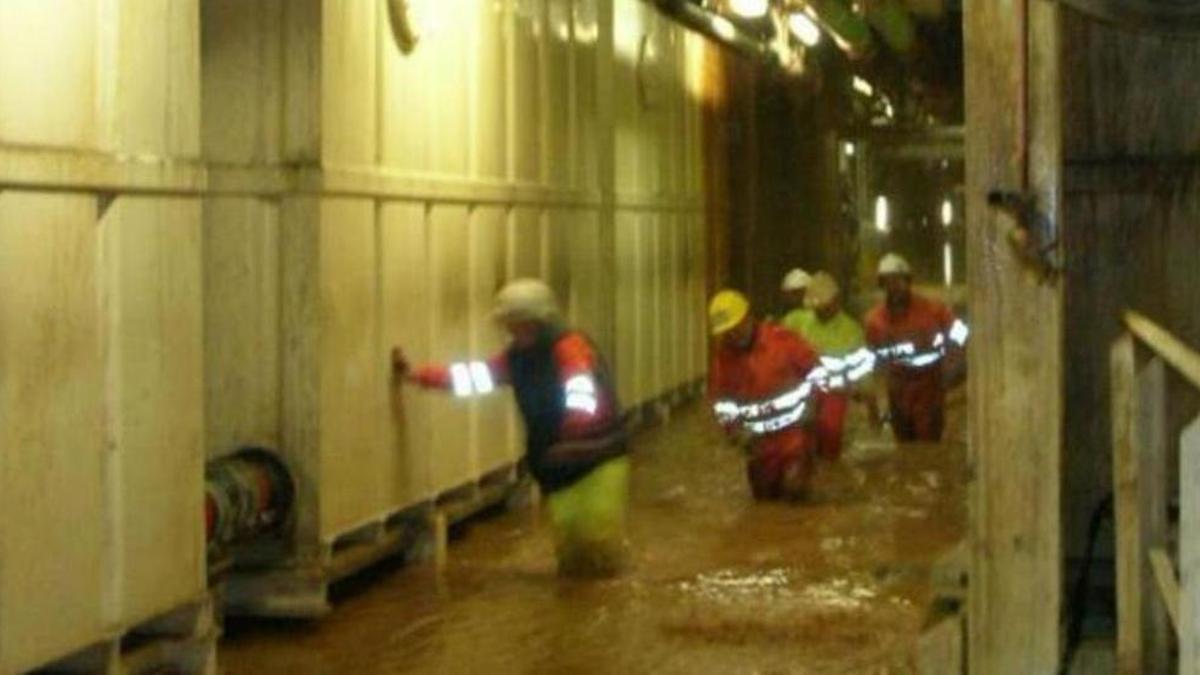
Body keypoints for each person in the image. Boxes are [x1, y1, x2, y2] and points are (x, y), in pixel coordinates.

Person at [392, 279, 629, 577]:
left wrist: (573, 429)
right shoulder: (518, 358)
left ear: (534, 320)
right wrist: (419, 376)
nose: (510, 330)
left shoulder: (568, 347)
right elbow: (476, 377)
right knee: (571, 546)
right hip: (558, 465)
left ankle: (595, 601)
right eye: (508, 324)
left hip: (598, 460)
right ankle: (582, 602)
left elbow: (580, 384)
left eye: (513, 323)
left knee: (597, 539)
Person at [707, 289, 821, 501]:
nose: (733, 334)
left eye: (736, 327)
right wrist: (735, 432)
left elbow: (816, 371)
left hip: (794, 435)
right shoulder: (723, 361)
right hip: (758, 444)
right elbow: (723, 405)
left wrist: (813, 410)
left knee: (795, 492)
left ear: (748, 317)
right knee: (764, 499)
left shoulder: (783, 341)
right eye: (727, 331)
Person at [863, 253, 963, 442]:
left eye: (898, 281)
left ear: (908, 281)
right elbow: (870, 363)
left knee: (928, 443)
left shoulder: (934, 310)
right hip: (897, 389)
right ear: (882, 286)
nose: (894, 288)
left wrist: (956, 367)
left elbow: (959, 334)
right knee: (904, 445)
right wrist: (872, 405)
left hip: (930, 386)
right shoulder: (874, 321)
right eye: (888, 282)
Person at [784, 271, 875, 460]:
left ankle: (830, 475)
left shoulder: (851, 331)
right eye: (816, 308)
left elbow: (863, 370)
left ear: (835, 301)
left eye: (823, 307)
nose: (820, 311)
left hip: (835, 394)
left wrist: (870, 404)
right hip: (805, 396)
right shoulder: (799, 322)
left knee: (830, 435)